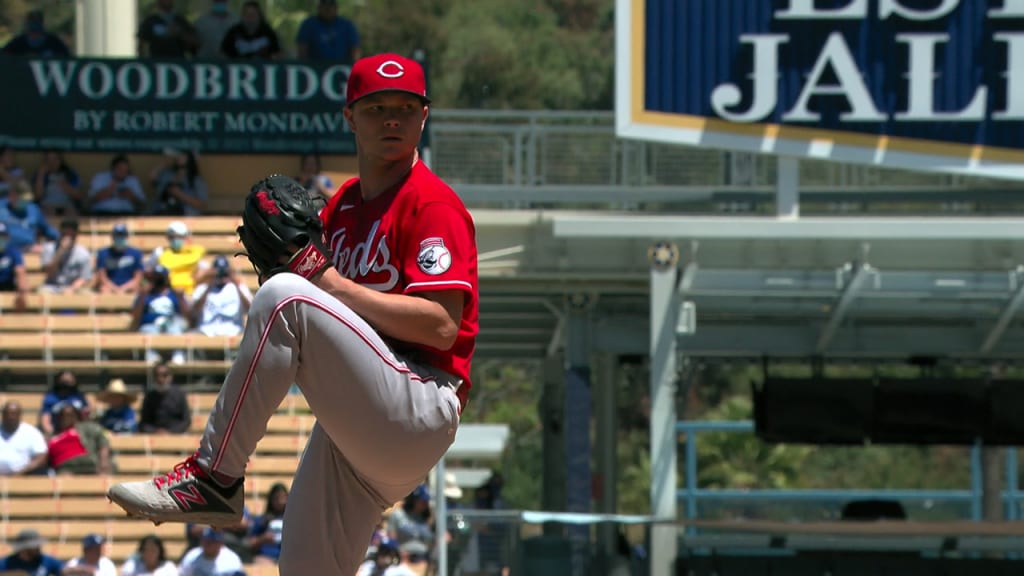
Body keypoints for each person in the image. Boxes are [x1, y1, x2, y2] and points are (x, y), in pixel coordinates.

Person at [108, 52, 479, 576]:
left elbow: (441, 326)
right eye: (376, 108)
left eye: (404, 107)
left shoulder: (431, 204)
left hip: (418, 400)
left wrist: (321, 281)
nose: (391, 119)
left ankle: (213, 477)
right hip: (354, 429)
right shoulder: (341, 208)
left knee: (285, 295)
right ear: (350, 117)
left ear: (424, 115)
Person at [39, 218, 93, 294]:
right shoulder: (49, 249)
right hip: (52, 286)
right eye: (64, 235)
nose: (68, 238)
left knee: (88, 294)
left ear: (76, 235)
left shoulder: (83, 253)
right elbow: (48, 272)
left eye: (71, 235)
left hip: (74, 287)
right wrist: (60, 251)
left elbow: (84, 277)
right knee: (43, 292)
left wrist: (72, 288)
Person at [0, 401, 48, 476]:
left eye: (14, 414)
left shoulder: (31, 432)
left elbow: (41, 457)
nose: (10, 417)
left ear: (20, 415)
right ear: (2, 415)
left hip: (24, 476)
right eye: (7, 414)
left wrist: (21, 472)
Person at [94, 223, 145, 294]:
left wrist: (124, 288)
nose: (119, 238)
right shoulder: (103, 253)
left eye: (122, 235)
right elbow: (102, 276)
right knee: (104, 290)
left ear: (127, 237)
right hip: (110, 286)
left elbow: (138, 277)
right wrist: (115, 289)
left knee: (136, 289)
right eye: (117, 236)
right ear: (112, 237)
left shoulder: (136, 253)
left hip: (129, 286)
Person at [178, 528, 243, 576]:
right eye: (205, 540)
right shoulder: (192, 555)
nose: (207, 544)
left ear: (220, 543)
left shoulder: (232, 559)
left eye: (211, 542)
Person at [0, 222, 29, 311]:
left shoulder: (13, 250)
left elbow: (20, 271)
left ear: (7, 237)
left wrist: (22, 293)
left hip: (7, 286)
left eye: (2, 236)